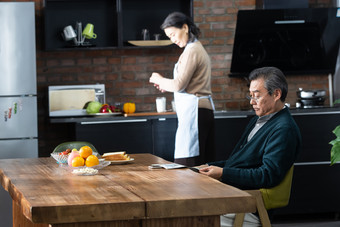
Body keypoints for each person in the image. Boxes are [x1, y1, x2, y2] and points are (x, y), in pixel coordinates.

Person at [199, 66, 302, 226]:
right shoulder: (259, 120)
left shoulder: (284, 129)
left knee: (187, 211)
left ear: (276, 94)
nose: (251, 102)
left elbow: (267, 175)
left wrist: (223, 173)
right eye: (251, 95)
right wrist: (208, 167)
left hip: (250, 206)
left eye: (257, 96)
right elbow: (240, 162)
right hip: (235, 194)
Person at [149, 12, 215, 167]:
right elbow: (184, 84)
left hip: (195, 113)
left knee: (186, 166)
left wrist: (159, 79)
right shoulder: (196, 48)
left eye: (173, 34)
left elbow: (179, 85)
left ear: (185, 27)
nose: (173, 40)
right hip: (200, 111)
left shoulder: (192, 50)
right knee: (200, 166)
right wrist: (167, 85)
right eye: (169, 37)